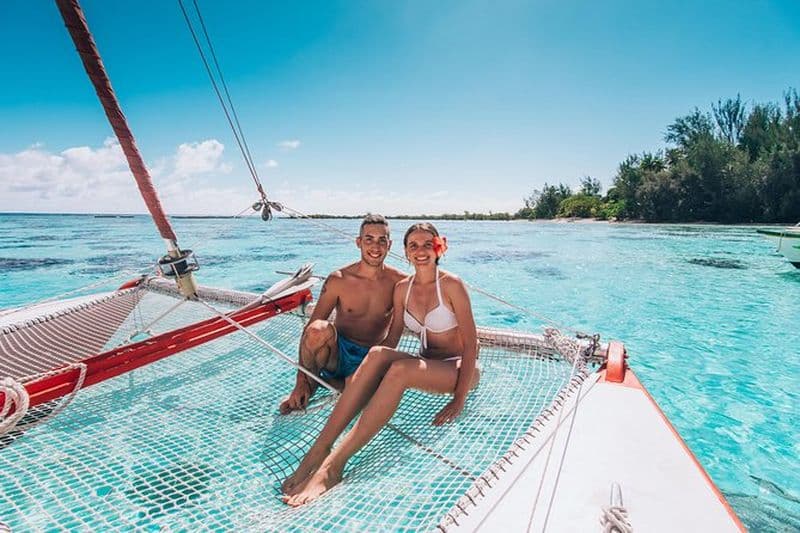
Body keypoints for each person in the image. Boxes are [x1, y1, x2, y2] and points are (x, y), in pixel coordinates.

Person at [282, 222, 480, 505]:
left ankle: (332, 468)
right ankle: (319, 449)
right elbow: (393, 338)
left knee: (400, 370)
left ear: (439, 248)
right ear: (405, 252)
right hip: (426, 364)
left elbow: (472, 343)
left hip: (459, 368)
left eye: (427, 244)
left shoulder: (452, 285)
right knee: (376, 355)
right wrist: (367, 375)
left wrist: (459, 400)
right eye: (413, 245)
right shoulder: (402, 288)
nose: (420, 251)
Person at [278, 214, 405, 415]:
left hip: (372, 355)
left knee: (361, 402)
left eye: (382, 240)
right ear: (358, 242)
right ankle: (309, 386)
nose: (375, 247)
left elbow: (396, 334)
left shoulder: (400, 282)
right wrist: (300, 382)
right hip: (337, 356)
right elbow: (310, 330)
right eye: (369, 239)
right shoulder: (339, 280)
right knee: (318, 330)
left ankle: (339, 384)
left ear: (389, 245)